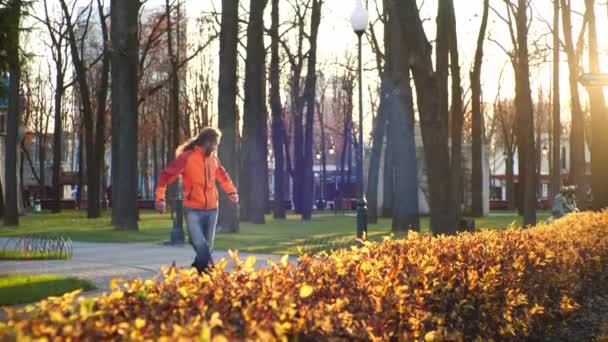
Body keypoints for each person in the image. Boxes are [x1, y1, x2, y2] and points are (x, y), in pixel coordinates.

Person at [154, 127, 238, 273]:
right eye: (215, 143)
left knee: (207, 247)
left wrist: (231, 192)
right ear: (207, 142)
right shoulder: (187, 157)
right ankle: (210, 273)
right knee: (200, 245)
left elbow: (223, 176)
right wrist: (160, 198)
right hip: (193, 208)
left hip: (212, 208)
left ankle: (200, 272)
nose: (216, 147)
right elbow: (166, 176)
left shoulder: (213, 158)